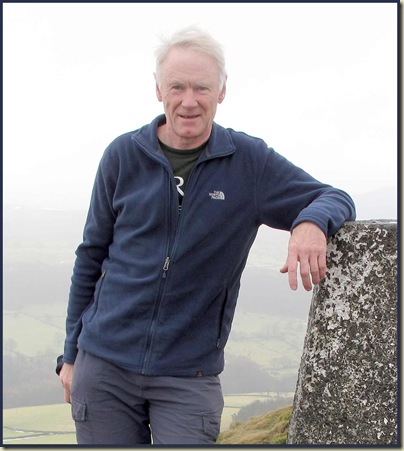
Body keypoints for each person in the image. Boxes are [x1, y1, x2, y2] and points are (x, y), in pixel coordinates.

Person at [57, 25, 356, 445]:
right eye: (177, 86)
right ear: (158, 89)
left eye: (202, 87)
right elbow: (90, 257)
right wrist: (71, 355)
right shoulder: (122, 156)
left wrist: (311, 222)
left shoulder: (248, 162)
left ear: (222, 92)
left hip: (187, 377)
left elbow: (334, 196)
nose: (189, 100)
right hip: (103, 368)